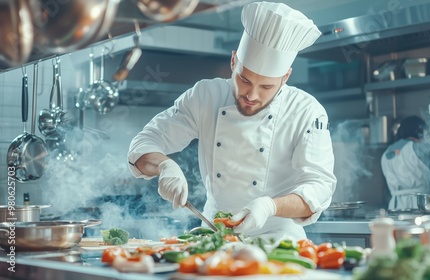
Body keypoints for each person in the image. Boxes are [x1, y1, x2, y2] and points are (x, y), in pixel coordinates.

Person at [127, 2, 336, 240]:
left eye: (266, 86)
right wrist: (165, 166)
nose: (252, 95)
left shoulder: (306, 111)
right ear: (233, 61)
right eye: (245, 80)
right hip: (213, 233)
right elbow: (145, 142)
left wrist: (270, 206)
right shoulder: (205, 96)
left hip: (279, 239)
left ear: (285, 77)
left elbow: (318, 188)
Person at [381, 115, 430, 210]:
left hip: (395, 206)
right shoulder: (421, 148)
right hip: (420, 205)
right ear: (419, 131)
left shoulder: (386, 153)